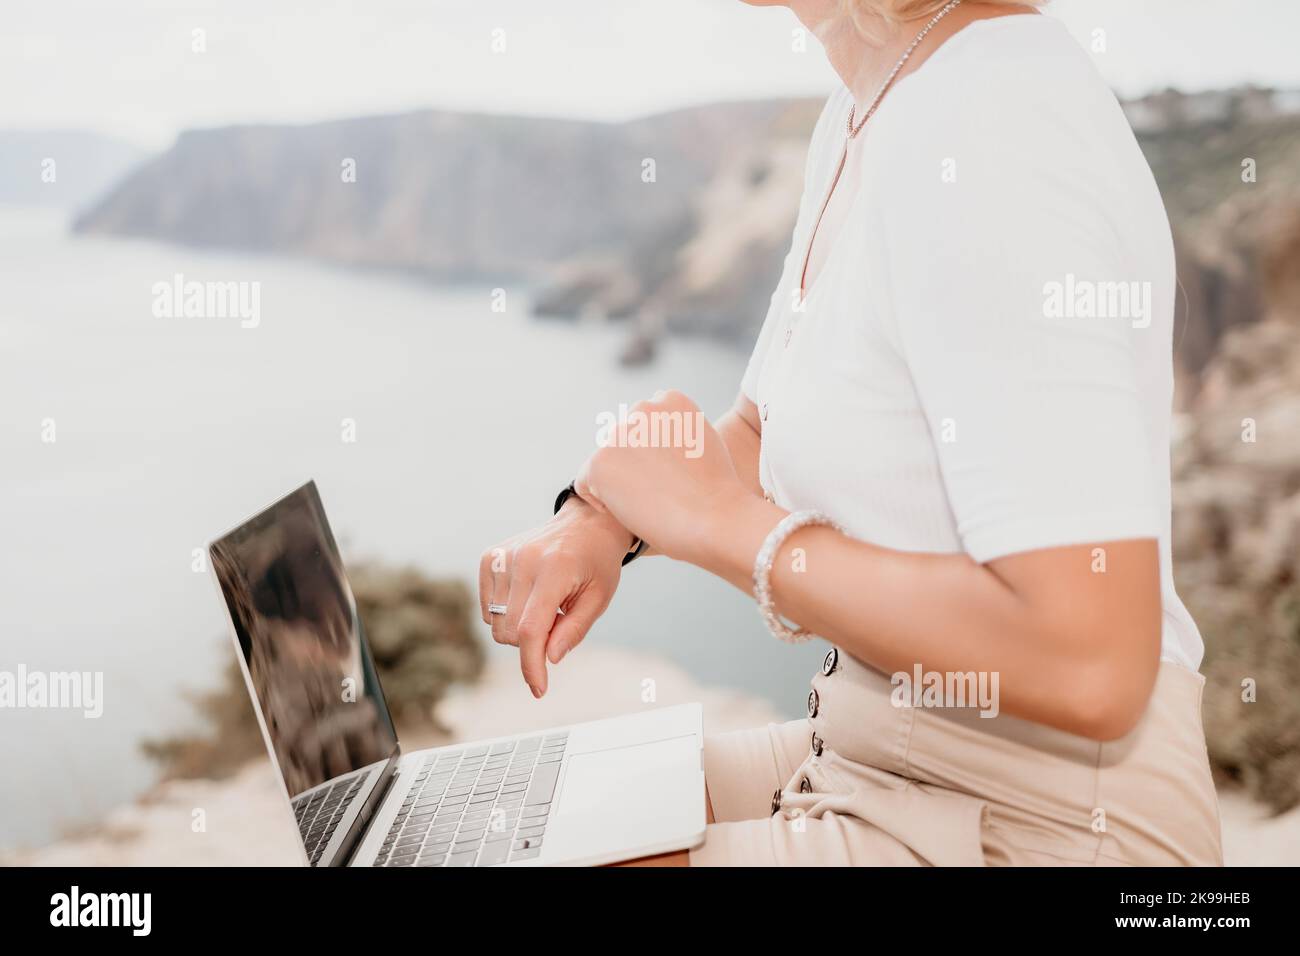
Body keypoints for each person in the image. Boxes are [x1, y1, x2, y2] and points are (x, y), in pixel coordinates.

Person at [479, 0, 1222, 866]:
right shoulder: (866, 108)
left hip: (1045, 822)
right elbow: (765, 426)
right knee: (516, 819)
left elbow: (1089, 659)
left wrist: (722, 527)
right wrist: (607, 523)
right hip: (879, 753)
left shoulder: (994, 120)